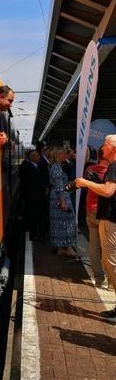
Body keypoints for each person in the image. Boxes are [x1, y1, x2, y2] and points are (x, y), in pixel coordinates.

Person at [76, 134, 116, 321]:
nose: (102, 147)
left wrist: (85, 183)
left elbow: (107, 191)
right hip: (106, 216)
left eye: (106, 144)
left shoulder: (111, 167)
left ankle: (103, 282)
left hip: (108, 217)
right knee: (108, 258)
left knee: (109, 259)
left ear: (113, 148)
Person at [83, 148, 109, 287]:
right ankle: (111, 280)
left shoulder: (90, 169)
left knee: (94, 246)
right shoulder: (111, 171)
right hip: (105, 213)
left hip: (90, 210)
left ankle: (99, 279)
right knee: (108, 247)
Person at [49, 147, 77, 258]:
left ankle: (61, 248)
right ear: (58, 155)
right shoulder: (56, 167)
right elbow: (59, 186)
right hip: (60, 197)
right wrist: (63, 202)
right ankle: (68, 247)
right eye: (63, 154)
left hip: (58, 197)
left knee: (59, 223)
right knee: (68, 222)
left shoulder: (56, 166)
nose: (65, 155)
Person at [19, 149, 49, 241]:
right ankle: (34, 235)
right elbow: (34, 181)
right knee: (33, 215)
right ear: (31, 157)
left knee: (38, 214)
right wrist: (43, 188)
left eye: (38, 156)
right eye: (36, 156)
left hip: (38, 195)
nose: (38, 157)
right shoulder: (28, 166)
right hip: (33, 196)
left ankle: (38, 233)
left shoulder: (38, 166)